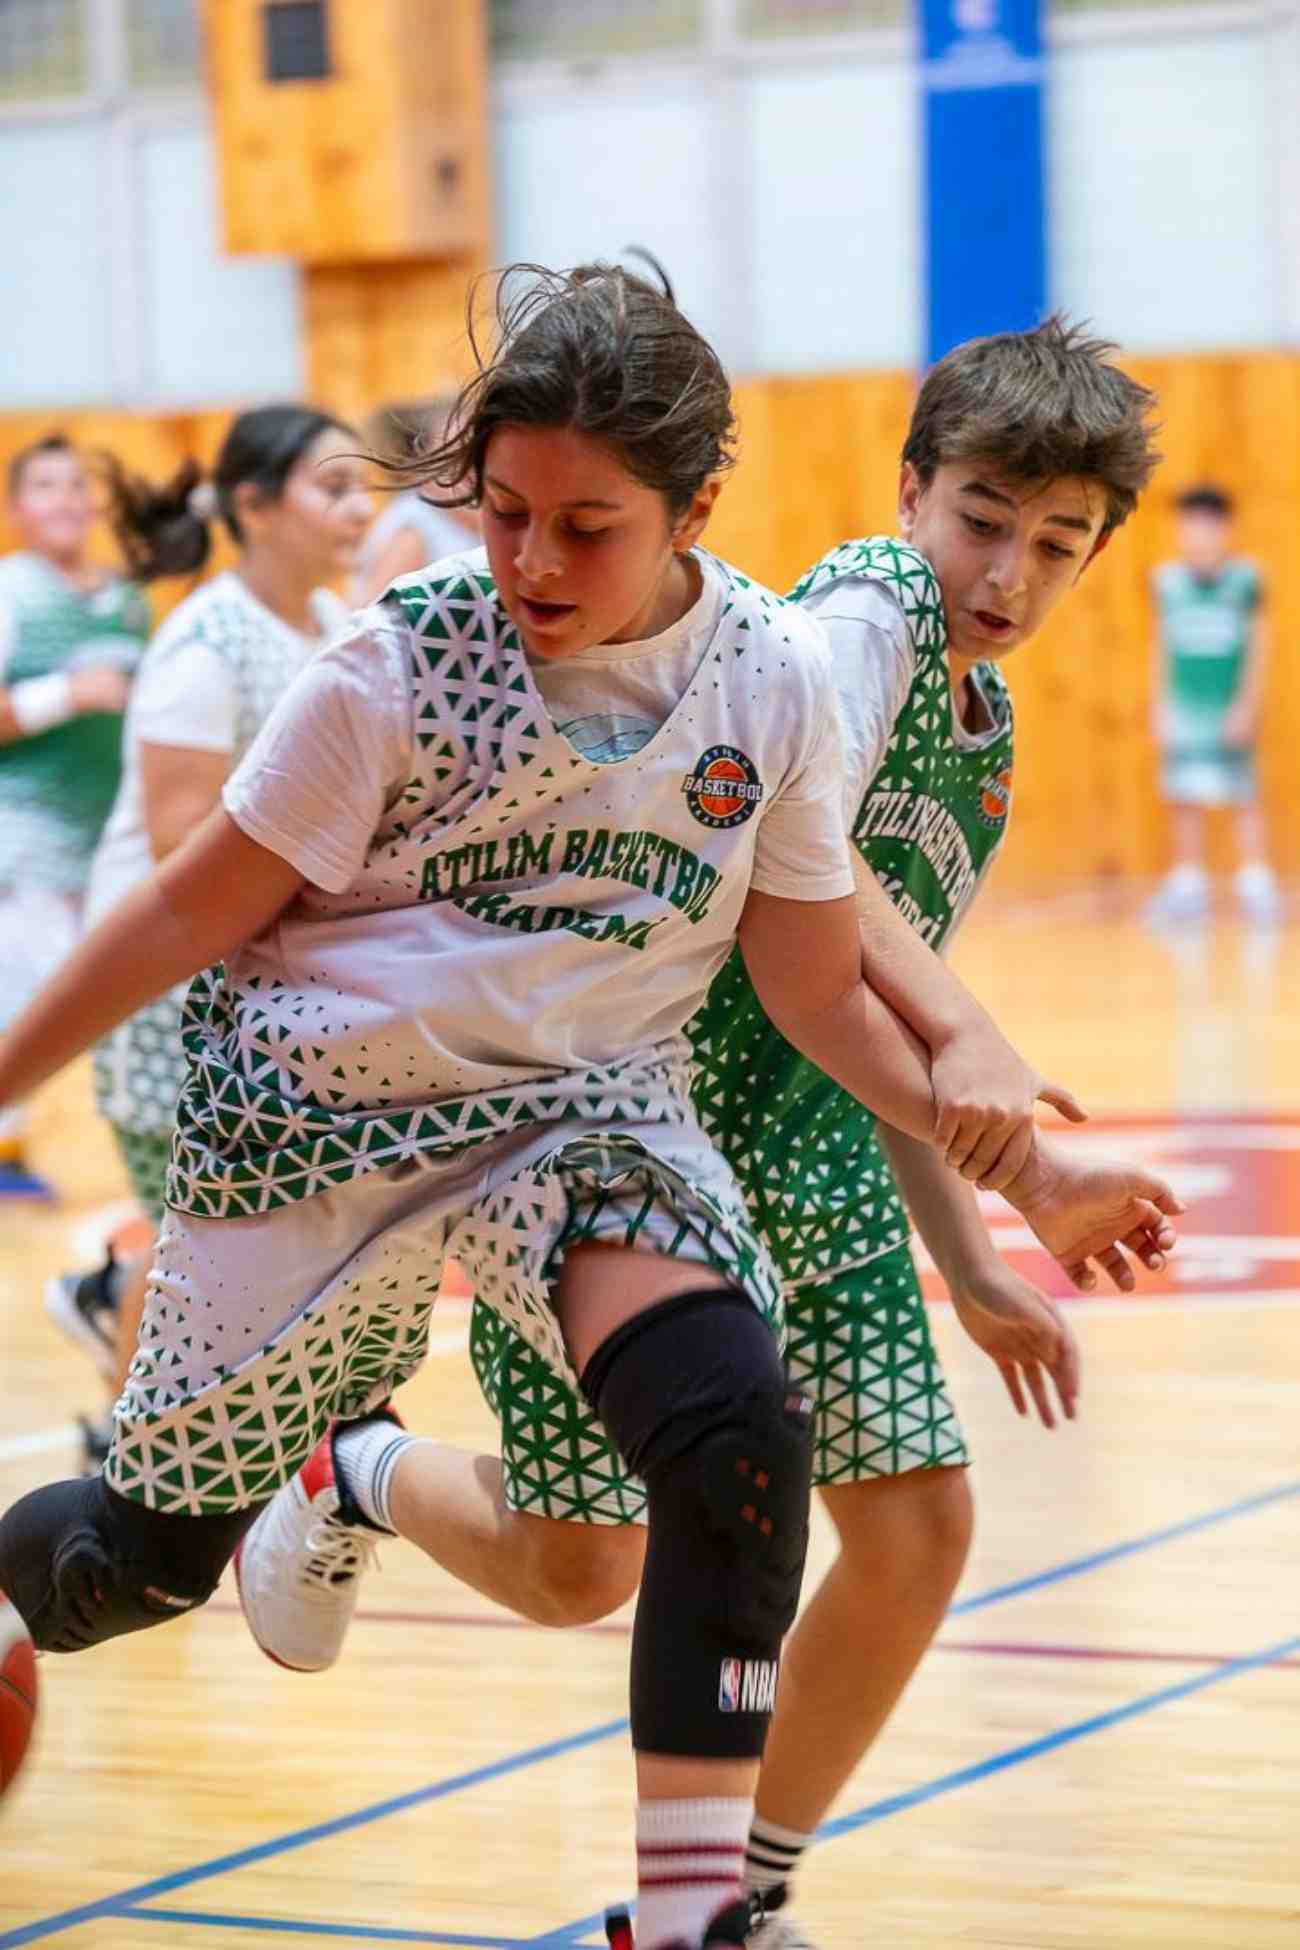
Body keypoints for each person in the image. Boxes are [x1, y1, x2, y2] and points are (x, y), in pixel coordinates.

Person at [0, 266, 1178, 1950]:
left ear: (697, 509)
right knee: (169, 1561)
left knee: (776, 1451)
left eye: (589, 528)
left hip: (601, 1123)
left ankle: (706, 1913)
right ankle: (285, 1490)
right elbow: (189, 905)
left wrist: (1019, 1186)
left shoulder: (768, 673)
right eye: (507, 517)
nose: (537, 564)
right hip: (321, 1119)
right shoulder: (440, 662)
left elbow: (819, 978)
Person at [43, 405, 370, 1472]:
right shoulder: (203, 642)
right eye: (332, 488)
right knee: (189, 1233)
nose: (358, 509)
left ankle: (109, 1312)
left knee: (232, 1227)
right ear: (253, 505)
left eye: (361, 486)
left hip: (259, 987)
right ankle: (124, 1451)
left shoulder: (323, 615)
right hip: (165, 991)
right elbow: (188, 845)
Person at [0, 434, 149, 1194]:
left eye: (77, 486)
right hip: (24, 833)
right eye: (47, 486)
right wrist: (64, 695)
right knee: (33, 988)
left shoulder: (125, 597)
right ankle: (7, 1148)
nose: (66, 500)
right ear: (18, 507)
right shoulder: (10, 592)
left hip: (110, 829)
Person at [1147, 483, 1278, 925]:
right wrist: (1160, 705)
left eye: (1207, 529)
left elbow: (1260, 645)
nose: (1198, 538)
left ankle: (1256, 882)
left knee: (1243, 792)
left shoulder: (1245, 580)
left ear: (1226, 530)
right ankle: (1189, 881)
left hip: (1227, 704)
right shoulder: (1168, 582)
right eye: (1190, 529)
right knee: (1183, 793)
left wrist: (1247, 703)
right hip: (1186, 704)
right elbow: (1161, 645)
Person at [352, 396, 479, 604]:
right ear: (420, 462)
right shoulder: (415, 523)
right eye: (454, 459)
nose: (470, 471)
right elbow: (375, 608)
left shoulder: (467, 519)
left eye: (475, 458)